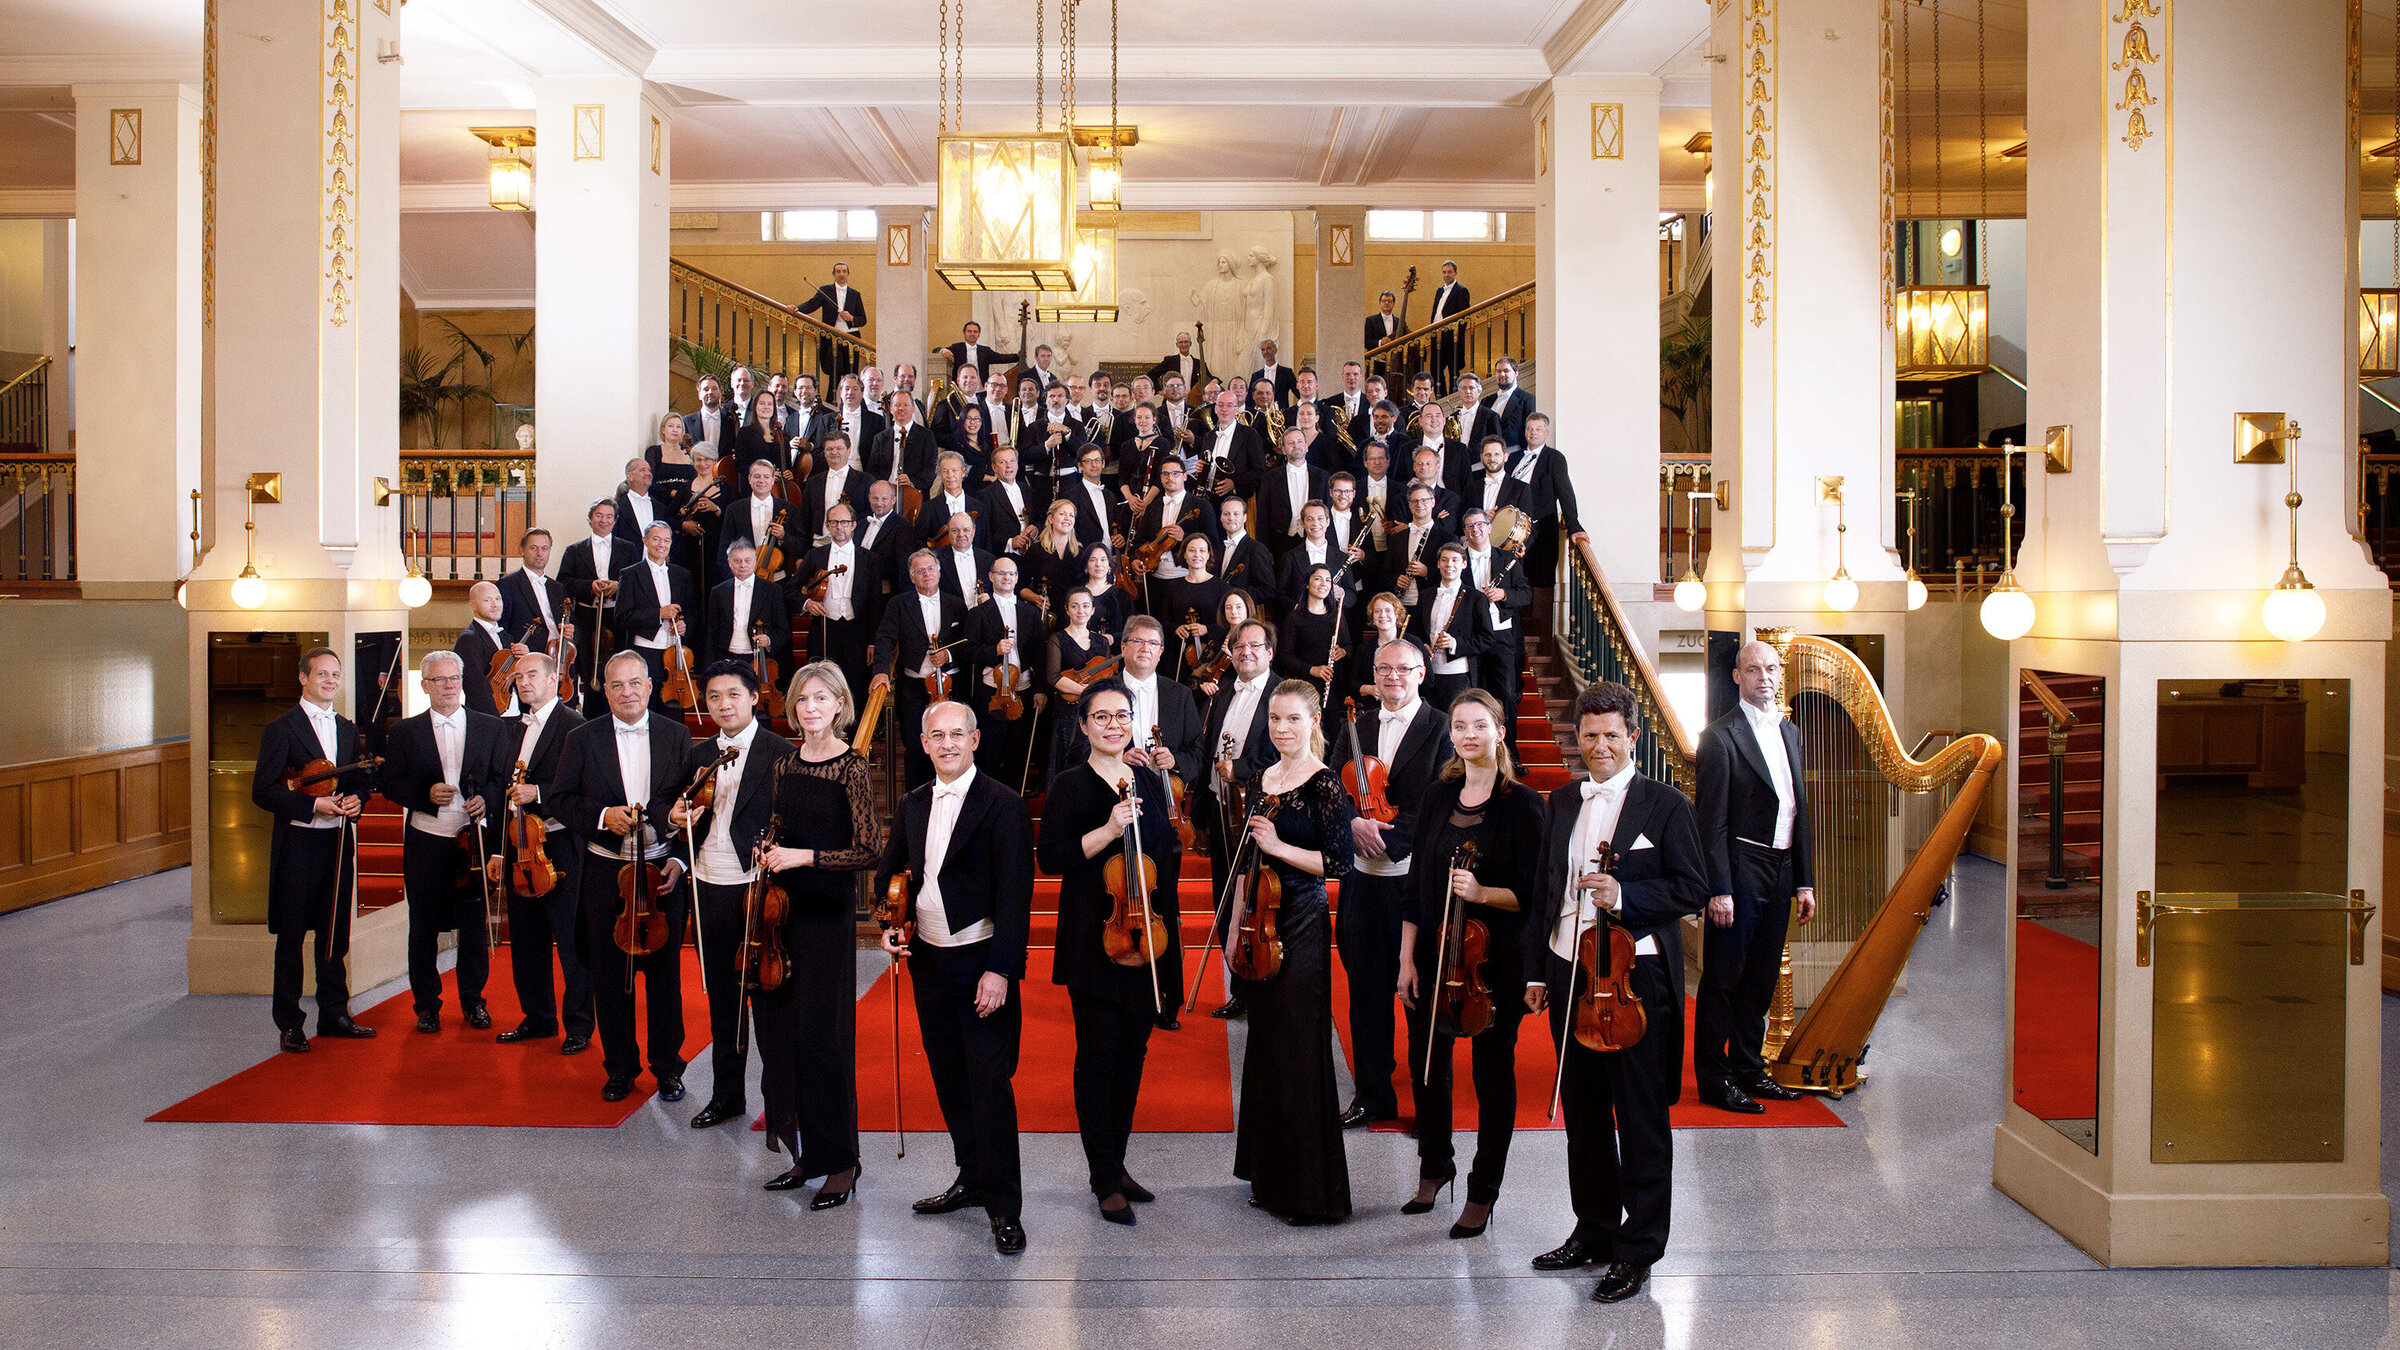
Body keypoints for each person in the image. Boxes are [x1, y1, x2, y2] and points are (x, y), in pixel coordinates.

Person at [1521, 681, 1707, 1304]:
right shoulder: (1561, 802)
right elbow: (1549, 889)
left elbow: (1692, 888)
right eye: (1589, 736)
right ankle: (1594, 1229)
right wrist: (1538, 971)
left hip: (1634, 980)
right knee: (1584, 1113)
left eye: (1611, 735)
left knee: (1641, 1118)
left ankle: (1639, 1248)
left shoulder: (1666, 805)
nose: (1599, 746)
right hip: (1571, 968)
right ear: (1577, 739)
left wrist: (1625, 898)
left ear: (1633, 737)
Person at [876, 700, 1037, 1256]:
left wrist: (1001, 970)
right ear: (923, 743)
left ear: (975, 740)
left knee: (990, 1085)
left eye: (956, 734)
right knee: (948, 1076)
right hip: (928, 961)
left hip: (979, 959)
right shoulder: (912, 802)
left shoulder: (1003, 803)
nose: (946, 744)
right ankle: (970, 1177)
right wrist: (890, 923)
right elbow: (891, 872)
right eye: (935, 735)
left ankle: (1004, 1207)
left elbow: (1017, 897)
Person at [1393, 688, 1545, 1237]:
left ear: (1499, 731)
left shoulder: (1522, 804)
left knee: (1491, 1076)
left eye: (1480, 725)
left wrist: (1482, 892)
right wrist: (1407, 958)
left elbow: (1533, 896)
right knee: (1427, 1066)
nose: (1469, 735)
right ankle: (1435, 1166)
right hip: (1434, 956)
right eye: (1460, 726)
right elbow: (1414, 886)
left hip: (1492, 965)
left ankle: (1483, 1189)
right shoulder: (1439, 795)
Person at [1041, 684, 1181, 1224]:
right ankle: (1103, 1176)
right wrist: (1108, 829)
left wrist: (1168, 953)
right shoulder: (1070, 786)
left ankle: (1117, 1163)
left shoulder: (1145, 778)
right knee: (1098, 1057)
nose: (1113, 725)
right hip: (1092, 941)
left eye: (1122, 715)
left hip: (1146, 940)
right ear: (1083, 725)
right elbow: (1052, 858)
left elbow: (1163, 862)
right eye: (1101, 717)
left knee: (1133, 1056)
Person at [1227, 680, 1357, 1224]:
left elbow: (1339, 862)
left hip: (1301, 920)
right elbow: (1244, 864)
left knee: (1300, 1044)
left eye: (1293, 720)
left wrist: (1281, 846)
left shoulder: (1325, 784)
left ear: (1314, 722)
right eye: (1275, 719)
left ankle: (1308, 1190)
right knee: (1266, 1042)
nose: (1282, 729)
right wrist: (1233, 929)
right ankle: (1268, 1172)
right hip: (1258, 915)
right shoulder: (1261, 779)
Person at [755, 662, 883, 1202]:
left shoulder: (852, 766)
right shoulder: (784, 764)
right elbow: (777, 828)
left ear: (839, 706)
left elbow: (869, 848)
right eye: (802, 699)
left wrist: (803, 857)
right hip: (780, 915)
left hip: (827, 918)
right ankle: (804, 1154)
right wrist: (767, 849)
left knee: (825, 1040)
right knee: (786, 1038)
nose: (810, 708)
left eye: (821, 699)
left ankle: (841, 1163)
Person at [551, 651, 698, 1103]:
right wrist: (601, 815)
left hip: (662, 872)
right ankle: (619, 1068)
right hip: (604, 871)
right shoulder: (581, 737)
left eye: (635, 683)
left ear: (651, 686)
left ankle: (668, 1068)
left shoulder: (677, 735)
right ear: (605, 690)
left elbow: (691, 802)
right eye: (617, 685)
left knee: (664, 976)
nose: (627, 692)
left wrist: (680, 858)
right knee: (610, 976)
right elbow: (559, 800)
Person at [1324, 637, 1451, 1128]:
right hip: (1362, 881)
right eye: (1383, 668)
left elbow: (1440, 798)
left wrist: (1389, 840)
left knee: (1418, 994)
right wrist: (1353, 824)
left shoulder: (1440, 726)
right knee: (1366, 993)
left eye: (1402, 668)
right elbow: (1334, 785)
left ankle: (1426, 1103)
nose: (1391, 676)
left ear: (1421, 673)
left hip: (1413, 881)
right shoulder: (1355, 723)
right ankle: (1372, 1095)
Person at [667, 660, 797, 1136]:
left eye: (733, 695)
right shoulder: (698, 752)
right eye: (715, 697)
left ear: (754, 698)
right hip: (707, 886)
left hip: (757, 891)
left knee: (766, 1000)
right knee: (722, 1000)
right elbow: (672, 808)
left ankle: (778, 1104)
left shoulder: (781, 752)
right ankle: (727, 1096)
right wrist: (677, 827)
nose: (724, 705)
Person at [1692, 640, 1816, 1114]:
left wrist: (1804, 880)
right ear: (1738, 677)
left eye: (1771, 667)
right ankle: (1713, 1078)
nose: (1764, 676)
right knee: (1724, 978)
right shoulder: (1719, 738)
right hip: (1740, 870)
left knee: (1761, 978)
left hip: (1782, 870)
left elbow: (1798, 811)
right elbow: (1712, 823)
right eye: (1753, 669)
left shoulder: (1790, 732)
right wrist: (1719, 888)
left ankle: (1749, 1068)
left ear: (1779, 673)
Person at [252, 647, 377, 1052]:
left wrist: (358, 801)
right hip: (299, 844)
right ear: (303, 679)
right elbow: (264, 791)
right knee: (291, 937)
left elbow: (356, 780)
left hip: (338, 840)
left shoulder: (345, 728)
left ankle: (334, 1013)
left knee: (334, 934)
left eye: (335, 675)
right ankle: (289, 1023)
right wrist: (312, 805)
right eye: (322, 674)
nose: (330, 681)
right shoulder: (281, 729)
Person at [380, 650, 505, 1034]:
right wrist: (423, 792)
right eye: (439, 680)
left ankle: (473, 1001)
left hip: (472, 840)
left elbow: (501, 779)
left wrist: (487, 797)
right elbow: (390, 784)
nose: (448, 686)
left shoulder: (491, 726)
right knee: (423, 925)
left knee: (472, 926)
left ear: (463, 681)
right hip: (427, 839)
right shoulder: (404, 731)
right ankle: (427, 1006)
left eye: (454, 679)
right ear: (424, 686)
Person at [493, 651, 591, 1055]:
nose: (524, 683)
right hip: (520, 846)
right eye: (519, 677)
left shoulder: (576, 726)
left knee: (571, 941)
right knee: (527, 938)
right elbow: (505, 795)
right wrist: (501, 851)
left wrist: (541, 793)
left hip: (562, 845)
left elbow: (589, 788)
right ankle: (538, 1018)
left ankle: (580, 1026)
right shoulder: (512, 728)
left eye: (533, 675)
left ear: (556, 680)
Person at [1197, 621, 1280, 1020]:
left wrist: (1242, 768)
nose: (1246, 651)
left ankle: (1262, 981)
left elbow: (1288, 752)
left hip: (1262, 811)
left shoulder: (1283, 694)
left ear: (1269, 652)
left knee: (1256, 902)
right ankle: (1239, 987)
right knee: (1226, 898)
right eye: (1239, 646)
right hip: (1220, 807)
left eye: (1254, 645)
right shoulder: (1226, 689)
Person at [870, 550, 971, 790]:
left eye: (931, 569)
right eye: (920, 571)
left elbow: (968, 642)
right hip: (914, 687)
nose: (927, 574)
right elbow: (884, 638)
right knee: (916, 747)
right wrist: (881, 671)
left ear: (939, 571)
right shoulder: (898, 603)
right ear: (911, 576)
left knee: (953, 745)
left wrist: (948, 654)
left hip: (950, 686)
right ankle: (917, 800)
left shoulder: (956, 604)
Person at [966, 555, 1046, 782]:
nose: (1007, 578)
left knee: (1017, 753)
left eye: (1011, 574)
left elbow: (1040, 654)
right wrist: (994, 650)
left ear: (1017, 578)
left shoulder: (1029, 612)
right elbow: (969, 651)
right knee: (990, 751)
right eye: (1001, 573)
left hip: (1023, 689)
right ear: (991, 577)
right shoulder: (978, 613)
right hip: (991, 692)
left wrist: (1040, 689)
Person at [614, 522, 702, 712]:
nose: (662, 544)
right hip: (645, 652)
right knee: (647, 707)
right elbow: (622, 617)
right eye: (656, 539)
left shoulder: (682, 574)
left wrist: (685, 625)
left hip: (676, 652)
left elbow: (693, 611)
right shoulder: (630, 574)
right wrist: (658, 614)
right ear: (645, 541)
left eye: (666, 540)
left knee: (674, 709)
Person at [1459, 507, 1532, 715]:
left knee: (1507, 695)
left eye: (1480, 524)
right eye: (1470, 525)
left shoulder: (1508, 559)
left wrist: (1503, 594)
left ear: (1490, 527)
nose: (1476, 529)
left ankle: (1508, 747)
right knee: (1475, 695)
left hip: (1501, 635)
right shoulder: (1458, 559)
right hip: (1472, 635)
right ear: (1465, 531)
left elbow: (1525, 594)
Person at [1506, 413, 1588, 588]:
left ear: (1547, 433)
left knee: (1538, 583)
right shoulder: (1513, 458)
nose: (1533, 432)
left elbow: (1565, 492)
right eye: (1529, 428)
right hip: (1510, 529)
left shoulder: (1554, 458)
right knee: (1511, 579)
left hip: (1540, 530)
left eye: (1538, 429)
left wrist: (1574, 525)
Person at [794, 501, 872, 680]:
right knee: (822, 682)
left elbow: (875, 602)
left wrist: (873, 642)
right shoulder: (814, 555)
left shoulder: (869, 559)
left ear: (853, 525)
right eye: (834, 522)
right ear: (827, 526)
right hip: (824, 629)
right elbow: (792, 588)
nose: (839, 527)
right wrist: (807, 603)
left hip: (857, 632)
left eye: (844, 522)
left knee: (855, 684)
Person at [1412, 542, 1490, 711]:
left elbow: (1486, 638)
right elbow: (1415, 631)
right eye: (1445, 560)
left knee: (1453, 724)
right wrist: (1423, 646)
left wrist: (1454, 643)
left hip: (1457, 674)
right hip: (1427, 673)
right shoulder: (1426, 595)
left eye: (1455, 560)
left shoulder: (1475, 598)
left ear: (1464, 564)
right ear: (1438, 564)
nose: (1449, 565)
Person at [703, 541, 791, 674]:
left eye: (747, 560)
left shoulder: (772, 590)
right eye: (737, 561)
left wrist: (768, 640)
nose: (743, 565)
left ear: (755, 561)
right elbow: (711, 632)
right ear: (729, 563)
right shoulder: (718, 591)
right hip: (726, 657)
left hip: (757, 658)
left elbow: (783, 630)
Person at [1152, 533, 1227, 683]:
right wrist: (1176, 628)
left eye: (1201, 550)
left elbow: (1228, 625)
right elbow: (1164, 620)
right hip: (1178, 652)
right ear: (1184, 554)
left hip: (1211, 654)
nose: (1197, 554)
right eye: (1192, 550)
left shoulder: (1221, 587)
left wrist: (1207, 629)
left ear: (1208, 555)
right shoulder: (1173, 586)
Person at [498, 528, 573, 673]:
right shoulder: (507, 584)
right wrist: (519, 650)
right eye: (534, 548)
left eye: (544, 548)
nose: (540, 553)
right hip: (528, 659)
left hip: (560, 658)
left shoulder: (557, 587)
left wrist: (572, 631)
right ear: (522, 550)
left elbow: (574, 622)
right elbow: (501, 628)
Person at [1271, 565, 1344, 699]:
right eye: (1318, 579)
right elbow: (1284, 656)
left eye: (1328, 580)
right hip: (1304, 687)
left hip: (1333, 686)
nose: (1324, 584)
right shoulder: (1294, 617)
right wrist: (1312, 670)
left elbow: (1348, 645)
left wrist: (1343, 651)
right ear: (1307, 584)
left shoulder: (1337, 615)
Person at [722, 458, 799, 584]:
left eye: (766, 476)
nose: (761, 481)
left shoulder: (789, 509)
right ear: (749, 479)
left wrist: (783, 536)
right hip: (743, 578)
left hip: (778, 579)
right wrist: (732, 580)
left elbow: (800, 546)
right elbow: (725, 547)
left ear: (773, 480)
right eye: (757, 476)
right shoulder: (734, 509)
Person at [1258, 428, 1326, 561]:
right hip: (1280, 544)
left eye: (1300, 441)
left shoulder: (1322, 476)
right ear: (1283, 449)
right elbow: (1262, 516)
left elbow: (1328, 516)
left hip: (1314, 542)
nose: (1296, 446)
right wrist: (1265, 550)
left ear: (1306, 447)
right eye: (1290, 442)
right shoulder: (1270, 478)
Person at [454, 580, 518, 718]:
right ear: (473, 605)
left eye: (498, 598)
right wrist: (494, 721)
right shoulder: (468, 639)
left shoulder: (506, 636)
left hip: (515, 716)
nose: (495, 605)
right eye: (487, 600)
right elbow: (474, 687)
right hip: (491, 717)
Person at [791, 260, 866, 378]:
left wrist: (851, 317)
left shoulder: (855, 294)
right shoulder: (825, 291)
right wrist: (797, 308)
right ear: (834, 274)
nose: (841, 274)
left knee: (850, 373)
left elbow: (863, 320)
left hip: (851, 337)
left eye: (844, 271)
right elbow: (811, 305)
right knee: (833, 372)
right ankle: (831, 397)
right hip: (831, 336)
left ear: (848, 274)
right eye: (838, 271)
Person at [800, 431, 871, 548]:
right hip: (819, 545)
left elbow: (868, 516)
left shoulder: (865, 480)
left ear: (849, 451)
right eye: (829, 449)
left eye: (839, 448)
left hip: (852, 546)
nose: (834, 452)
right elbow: (805, 519)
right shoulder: (813, 482)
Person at [980, 445, 1048, 558]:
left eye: (1012, 460)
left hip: (1032, 555)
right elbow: (984, 533)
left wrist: (1036, 530)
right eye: (1002, 462)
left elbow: (1042, 520)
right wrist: (1010, 542)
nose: (1008, 466)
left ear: (1017, 464)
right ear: (994, 467)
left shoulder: (1028, 490)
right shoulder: (986, 495)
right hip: (1004, 558)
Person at [1214, 496, 1271, 599]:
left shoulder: (1256, 549)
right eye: (1226, 514)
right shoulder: (1219, 549)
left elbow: (1267, 590)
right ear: (1221, 518)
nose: (1231, 518)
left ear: (1245, 517)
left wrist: (1235, 596)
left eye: (1236, 514)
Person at [1426, 261, 1472, 389]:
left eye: (1449, 272)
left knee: (1453, 372)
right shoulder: (1440, 291)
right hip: (1437, 336)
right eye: (1444, 272)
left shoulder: (1461, 291)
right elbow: (1436, 313)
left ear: (1455, 273)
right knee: (1435, 371)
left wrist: (1454, 336)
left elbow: (1464, 317)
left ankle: (1453, 397)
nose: (1447, 275)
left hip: (1452, 339)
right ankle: (1442, 397)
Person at [935, 319, 1017, 383]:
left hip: (980, 391)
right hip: (960, 390)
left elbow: (1001, 358)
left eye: (975, 332)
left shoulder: (985, 351)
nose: (972, 334)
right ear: (964, 333)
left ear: (979, 334)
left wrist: (1018, 356)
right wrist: (942, 350)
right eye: (969, 331)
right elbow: (935, 350)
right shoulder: (956, 348)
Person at [1482, 357, 1535, 450]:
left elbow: (1530, 431)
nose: (1502, 374)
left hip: (1515, 455)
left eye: (1506, 371)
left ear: (1516, 373)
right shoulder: (1486, 401)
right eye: (1498, 371)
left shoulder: (1527, 399)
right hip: (1488, 456)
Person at [1147, 331, 1213, 396]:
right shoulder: (1169, 361)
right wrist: (1159, 390)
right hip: (1172, 399)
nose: (1183, 345)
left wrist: (1215, 381)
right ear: (1177, 345)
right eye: (1180, 342)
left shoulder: (1199, 363)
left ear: (1190, 343)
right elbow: (1151, 374)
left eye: (1186, 342)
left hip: (1193, 402)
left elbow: (1209, 377)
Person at [684, 375, 735, 457]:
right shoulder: (686, 422)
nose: (710, 392)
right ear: (699, 395)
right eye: (706, 389)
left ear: (720, 393)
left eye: (714, 388)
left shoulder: (730, 422)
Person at [1365, 290, 1406, 371]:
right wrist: (1380, 342)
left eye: (1389, 301)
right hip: (1376, 363)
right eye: (1384, 301)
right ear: (1380, 303)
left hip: (1395, 364)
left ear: (1393, 304)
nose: (1386, 303)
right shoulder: (1371, 320)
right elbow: (1366, 342)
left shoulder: (1400, 322)